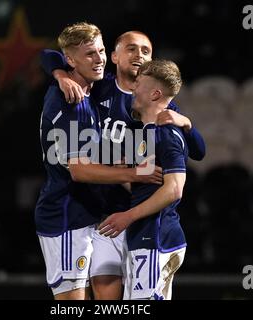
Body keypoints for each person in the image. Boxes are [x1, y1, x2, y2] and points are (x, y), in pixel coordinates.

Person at [40, 31, 205, 299]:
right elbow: (49, 55)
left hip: (142, 218)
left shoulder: (159, 105)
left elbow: (198, 151)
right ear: (114, 56)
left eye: (146, 50)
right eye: (131, 48)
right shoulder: (97, 88)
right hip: (106, 220)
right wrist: (60, 74)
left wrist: (186, 123)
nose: (139, 54)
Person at [36, 23, 162, 300]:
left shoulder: (89, 90)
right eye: (90, 54)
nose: (99, 60)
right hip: (65, 214)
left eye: (102, 51)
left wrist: (59, 72)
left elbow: (48, 54)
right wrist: (136, 175)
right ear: (71, 60)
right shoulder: (71, 102)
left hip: (86, 215)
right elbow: (79, 171)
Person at [99, 59, 188, 300]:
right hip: (146, 235)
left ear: (155, 93)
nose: (133, 88)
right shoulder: (146, 133)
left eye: (138, 83)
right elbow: (148, 186)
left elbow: (173, 189)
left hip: (155, 235)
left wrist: (127, 217)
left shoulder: (166, 134)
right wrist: (120, 174)